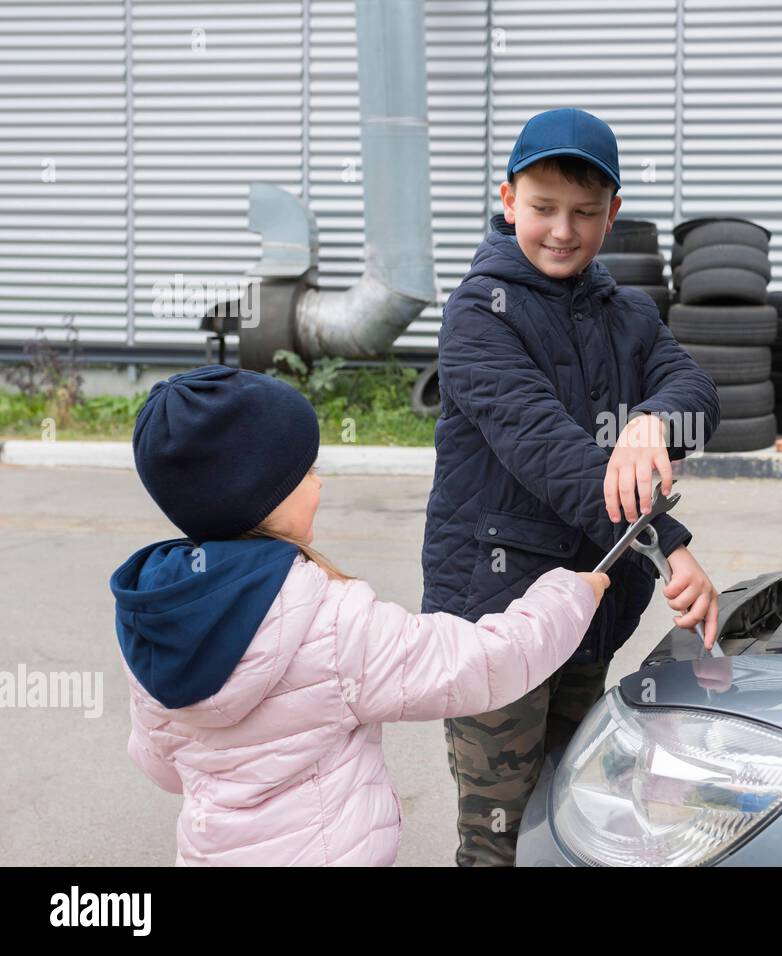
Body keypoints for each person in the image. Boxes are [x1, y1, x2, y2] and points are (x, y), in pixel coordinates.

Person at [109, 364, 609, 865]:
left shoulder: (152, 618)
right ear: (259, 493)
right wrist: (570, 593)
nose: (319, 483)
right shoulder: (329, 620)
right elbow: (481, 663)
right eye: (305, 471)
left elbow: (161, 766)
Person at [423, 107, 722, 866]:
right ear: (507, 199)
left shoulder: (629, 313)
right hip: (497, 616)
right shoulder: (477, 316)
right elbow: (548, 451)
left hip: (588, 604)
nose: (563, 230)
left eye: (586, 213)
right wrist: (671, 546)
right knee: (498, 834)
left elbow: (697, 390)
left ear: (613, 214)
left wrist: (655, 421)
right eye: (544, 208)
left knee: (573, 816)